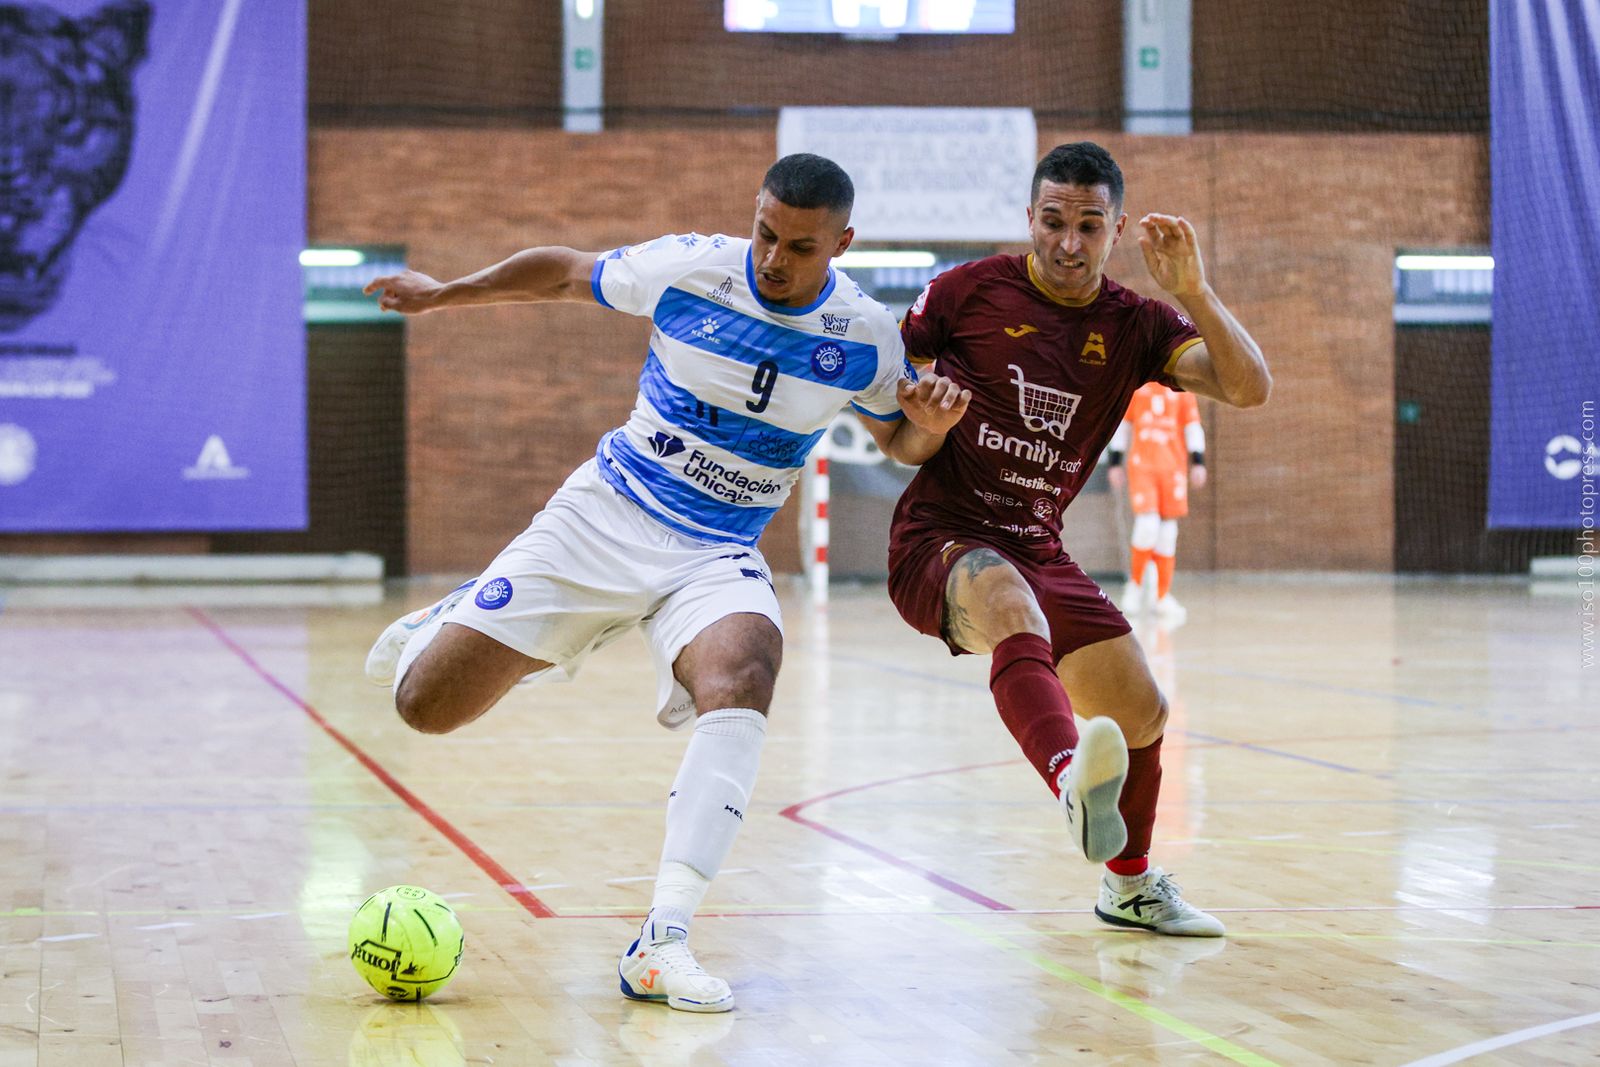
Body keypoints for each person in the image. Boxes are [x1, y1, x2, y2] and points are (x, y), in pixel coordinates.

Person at [361, 154, 967, 1012]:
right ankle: (478, 609)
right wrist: (440, 292)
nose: (772, 258)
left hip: (716, 552)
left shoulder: (864, 334)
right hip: (606, 515)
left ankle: (664, 939)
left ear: (843, 242)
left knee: (747, 671)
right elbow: (566, 273)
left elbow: (896, 442)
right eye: (764, 232)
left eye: (799, 245)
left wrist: (930, 430)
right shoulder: (693, 268)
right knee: (425, 705)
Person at [886, 142, 1270, 936]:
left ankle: (1128, 887)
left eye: (1088, 225)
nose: (1068, 241)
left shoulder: (1136, 323)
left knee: (1142, 713)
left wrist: (1194, 289)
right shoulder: (965, 292)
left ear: (1117, 229)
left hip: (1037, 543)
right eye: (1054, 221)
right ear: (1029, 218)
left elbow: (1248, 386)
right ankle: (1069, 778)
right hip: (942, 535)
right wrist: (918, 424)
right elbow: (893, 418)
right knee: (1009, 603)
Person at [1106, 381, 1207, 623]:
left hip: (1173, 468)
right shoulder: (1137, 388)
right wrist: (1114, 462)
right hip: (1143, 467)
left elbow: (1193, 427)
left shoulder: (1182, 391)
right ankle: (1136, 586)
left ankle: (1162, 596)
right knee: (1147, 525)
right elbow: (1123, 425)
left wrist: (1199, 462)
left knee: (1168, 532)